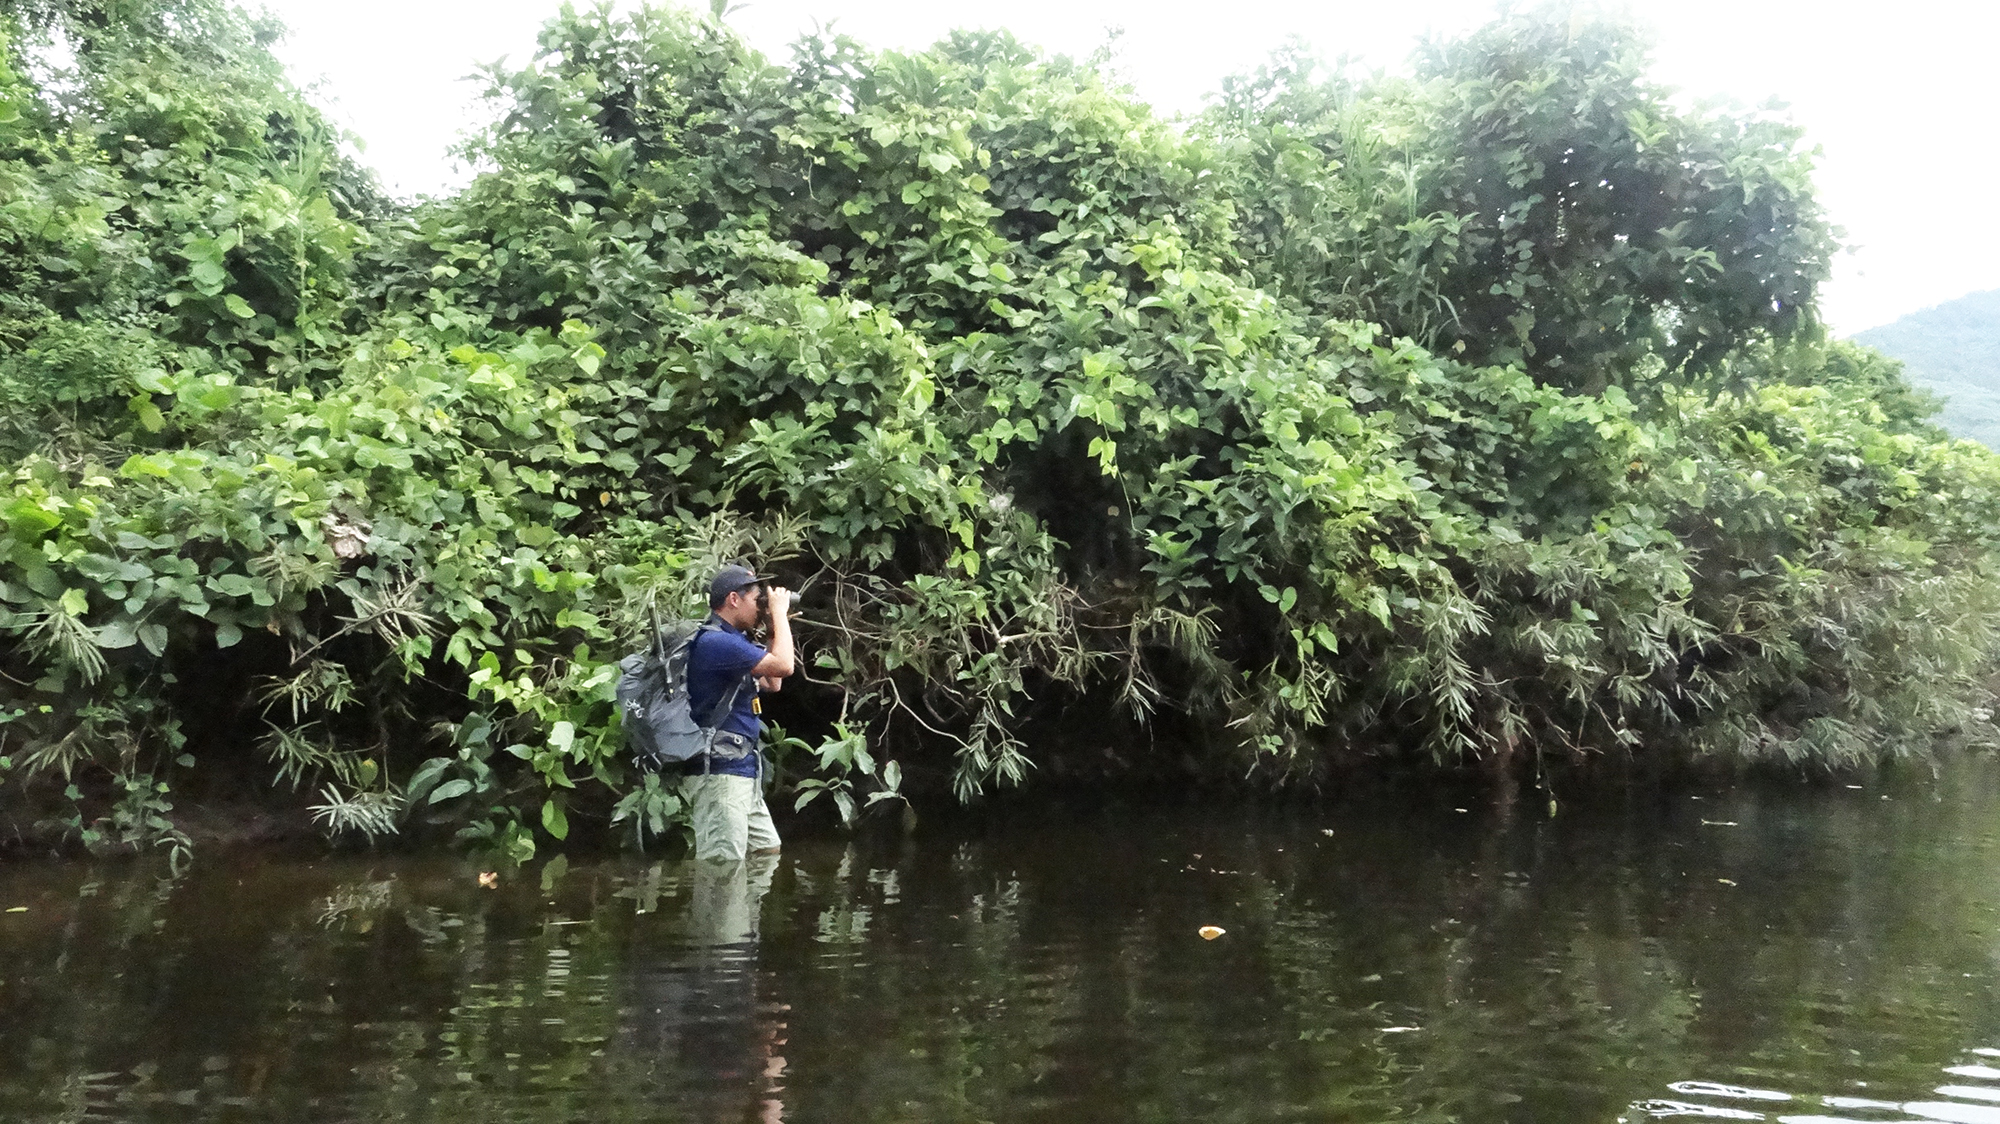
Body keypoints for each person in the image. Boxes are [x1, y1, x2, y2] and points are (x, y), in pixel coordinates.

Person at [683, 564, 796, 861]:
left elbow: (774, 683)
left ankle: (740, 908)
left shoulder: (734, 642)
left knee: (766, 851)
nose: (761, 607)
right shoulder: (716, 642)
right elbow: (785, 665)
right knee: (722, 865)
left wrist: (773, 626)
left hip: (742, 769)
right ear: (734, 599)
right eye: (756, 599)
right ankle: (722, 908)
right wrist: (781, 614)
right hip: (721, 775)